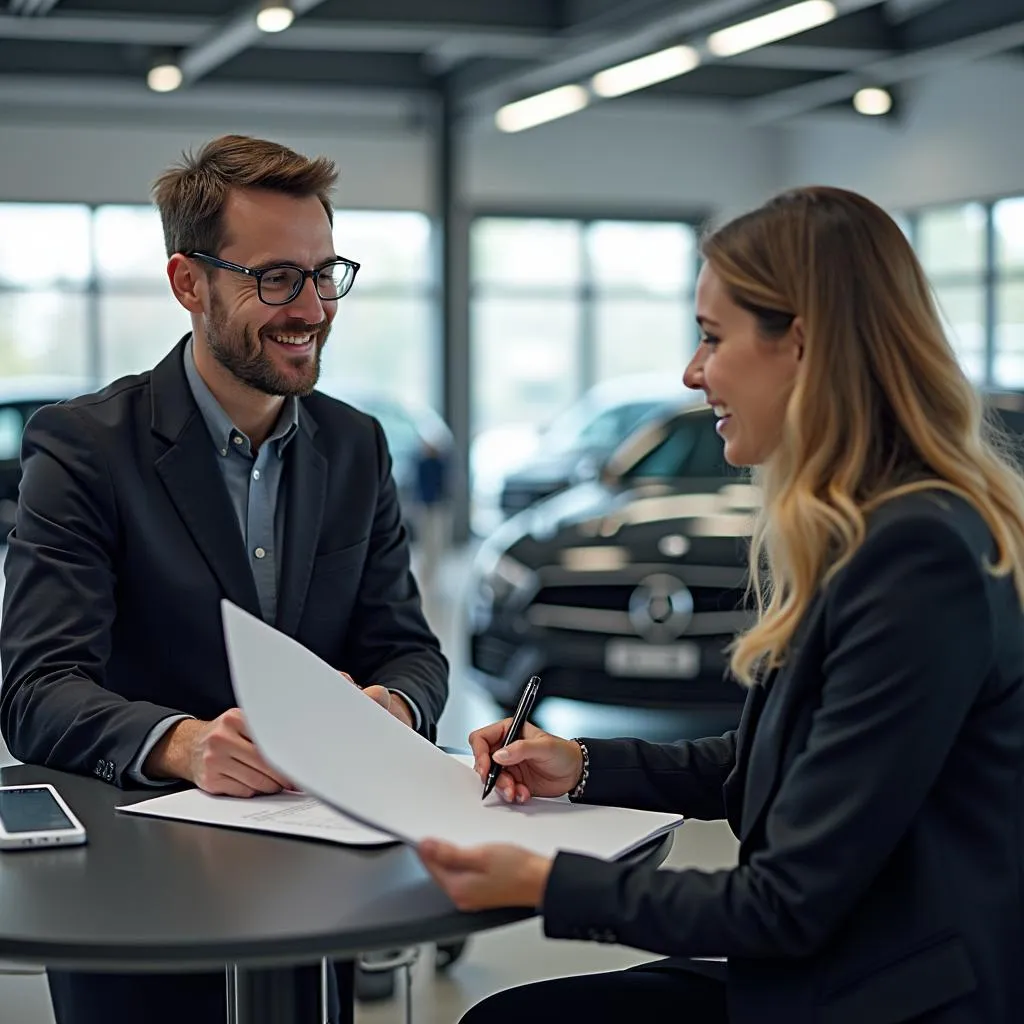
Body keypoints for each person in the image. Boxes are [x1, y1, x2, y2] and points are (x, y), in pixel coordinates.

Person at [417, 186, 1024, 1024]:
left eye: (711, 336)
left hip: (883, 993)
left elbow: (784, 904)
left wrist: (545, 882)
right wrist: (582, 765)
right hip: (833, 965)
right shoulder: (870, 528)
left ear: (801, 346)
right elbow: (772, 764)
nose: (691, 373)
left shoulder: (917, 557)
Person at [0, 135, 448, 1024]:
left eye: (326, 275)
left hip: (322, 882)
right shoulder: (86, 448)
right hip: (141, 903)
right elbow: (35, 689)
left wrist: (387, 711)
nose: (311, 308)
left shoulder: (355, 446)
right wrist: (185, 743)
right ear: (188, 283)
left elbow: (411, 652)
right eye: (276, 278)